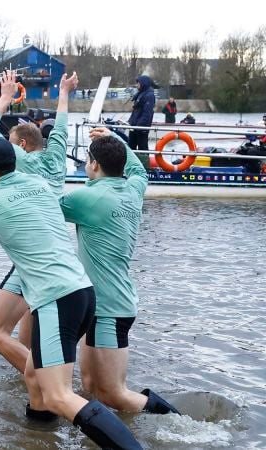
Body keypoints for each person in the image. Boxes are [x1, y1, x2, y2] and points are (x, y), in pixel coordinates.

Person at [0, 137, 141, 449]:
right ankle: (38, 439)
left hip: (55, 300)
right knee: (35, 378)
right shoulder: (40, 185)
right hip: (83, 292)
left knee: (58, 395)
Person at [60, 127, 181, 416]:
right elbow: (138, 170)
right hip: (99, 305)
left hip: (111, 309)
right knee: (90, 385)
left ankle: (181, 424)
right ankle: (114, 433)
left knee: (114, 393)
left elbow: (42, 210)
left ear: (94, 164)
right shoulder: (133, 189)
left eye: (87, 159)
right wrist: (115, 139)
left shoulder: (87, 198)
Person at [0, 69, 75, 373]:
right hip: (58, 249)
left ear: (20, 145)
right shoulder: (57, 158)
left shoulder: (19, 160)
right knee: (30, 340)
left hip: (32, 254)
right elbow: (61, 125)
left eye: (10, 143)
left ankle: (46, 382)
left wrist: (6, 96)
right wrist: (64, 93)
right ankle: (33, 387)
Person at [128, 75, 155, 167]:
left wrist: (139, 125)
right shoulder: (140, 93)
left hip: (141, 127)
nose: (137, 85)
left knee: (142, 147)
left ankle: (144, 167)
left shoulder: (149, 95)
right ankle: (131, 166)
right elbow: (136, 110)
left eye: (138, 83)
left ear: (143, 83)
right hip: (134, 125)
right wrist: (131, 122)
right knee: (131, 147)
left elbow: (147, 113)